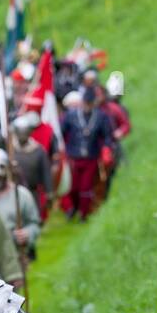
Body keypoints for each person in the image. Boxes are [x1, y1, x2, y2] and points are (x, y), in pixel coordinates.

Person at [61, 85, 114, 220]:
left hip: (91, 157)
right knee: (72, 187)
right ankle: (72, 208)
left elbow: (107, 135)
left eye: (90, 103)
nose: (87, 106)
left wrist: (106, 149)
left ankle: (84, 214)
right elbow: (61, 132)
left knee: (85, 187)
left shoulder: (101, 117)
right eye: (85, 103)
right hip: (73, 156)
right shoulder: (71, 116)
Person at [0, 148, 41, 260]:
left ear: (7, 171)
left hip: (11, 255)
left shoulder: (22, 195)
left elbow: (34, 224)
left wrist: (27, 233)